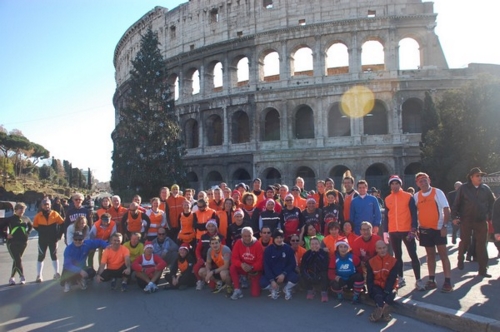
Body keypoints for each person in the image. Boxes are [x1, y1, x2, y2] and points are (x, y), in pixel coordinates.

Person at [452, 167, 495, 278]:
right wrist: (455, 217)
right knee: (465, 241)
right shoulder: (463, 188)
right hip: (466, 219)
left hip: (481, 220)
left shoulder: (485, 189)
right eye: (477, 175)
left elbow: (492, 203)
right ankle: (460, 258)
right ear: (471, 177)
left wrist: (489, 215)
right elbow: (456, 204)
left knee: (482, 245)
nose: (480, 178)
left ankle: (483, 270)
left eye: (481, 176)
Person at [414, 172, 453, 292]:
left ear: (429, 180)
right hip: (425, 229)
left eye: (425, 180)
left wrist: (445, 226)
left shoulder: (437, 192)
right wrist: (416, 228)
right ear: (417, 183)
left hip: (438, 228)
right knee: (430, 255)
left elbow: (446, 209)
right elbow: (415, 213)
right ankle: (431, 280)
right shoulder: (416, 196)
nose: (423, 182)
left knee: (443, 254)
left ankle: (447, 281)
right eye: (420, 181)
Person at [384, 175, 423, 289]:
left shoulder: (408, 196)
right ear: (390, 185)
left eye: (397, 183)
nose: (395, 185)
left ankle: (418, 280)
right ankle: (400, 278)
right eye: (392, 183)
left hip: (407, 231)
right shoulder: (387, 198)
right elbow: (386, 216)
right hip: (393, 231)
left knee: (413, 255)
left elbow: (413, 213)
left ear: (400, 184)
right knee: (397, 256)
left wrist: (414, 228)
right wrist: (386, 231)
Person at [366, 240, 400, 323]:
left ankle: (381, 309)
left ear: (387, 248)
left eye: (384, 248)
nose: (382, 250)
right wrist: (370, 291)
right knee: (377, 295)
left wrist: (387, 291)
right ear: (376, 249)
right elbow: (369, 278)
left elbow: (392, 278)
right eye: (380, 248)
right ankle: (384, 310)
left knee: (390, 295)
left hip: (390, 286)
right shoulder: (371, 261)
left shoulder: (394, 261)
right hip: (377, 285)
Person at [260, 229, 298, 300]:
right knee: (262, 282)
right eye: (277, 238)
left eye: (281, 237)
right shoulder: (268, 250)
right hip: (273, 275)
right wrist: (272, 280)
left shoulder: (288, 249)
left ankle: (286, 288)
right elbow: (266, 266)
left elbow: (292, 264)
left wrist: (284, 274)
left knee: (295, 277)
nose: (279, 240)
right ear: (273, 239)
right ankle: (274, 289)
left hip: (284, 274)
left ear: (283, 238)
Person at [33, 198, 65, 283]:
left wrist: (59, 235)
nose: (46, 206)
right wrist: (43, 232)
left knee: (54, 255)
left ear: (50, 205)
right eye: (44, 205)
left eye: (48, 204)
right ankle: (39, 275)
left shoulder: (55, 214)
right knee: (41, 256)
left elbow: (62, 224)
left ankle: (56, 273)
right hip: (42, 240)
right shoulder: (38, 216)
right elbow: (35, 226)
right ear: (42, 206)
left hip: (53, 239)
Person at [0, 203, 32, 285]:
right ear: (16, 210)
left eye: (23, 209)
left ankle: (11, 278)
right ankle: (22, 276)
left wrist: (27, 233)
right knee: (18, 259)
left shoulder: (26, 218)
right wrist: (6, 235)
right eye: (20, 209)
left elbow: (31, 226)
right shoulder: (10, 219)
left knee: (16, 260)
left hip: (23, 242)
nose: (22, 211)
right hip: (12, 242)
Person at [229, 227, 264, 300]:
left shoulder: (257, 244)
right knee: (233, 267)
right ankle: (237, 289)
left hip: (254, 269)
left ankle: (249, 279)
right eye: (245, 236)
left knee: (255, 294)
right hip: (243, 266)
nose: (247, 238)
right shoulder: (238, 243)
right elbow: (234, 258)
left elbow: (260, 262)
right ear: (241, 236)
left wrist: (252, 267)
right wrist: (241, 264)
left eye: (249, 235)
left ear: (253, 235)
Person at [301, 236, 329, 302]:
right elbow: (303, 267)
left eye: (316, 244)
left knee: (324, 274)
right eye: (312, 244)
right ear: (310, 245)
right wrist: (313, 254)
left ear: (319, 244)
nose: (314, 246)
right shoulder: (306, 254)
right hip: (311, 273)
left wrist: (317, 253)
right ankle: (310, 290)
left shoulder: (323, 253)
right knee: (303, 274)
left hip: (320, 273)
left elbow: (324, 266)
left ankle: (324, 292)